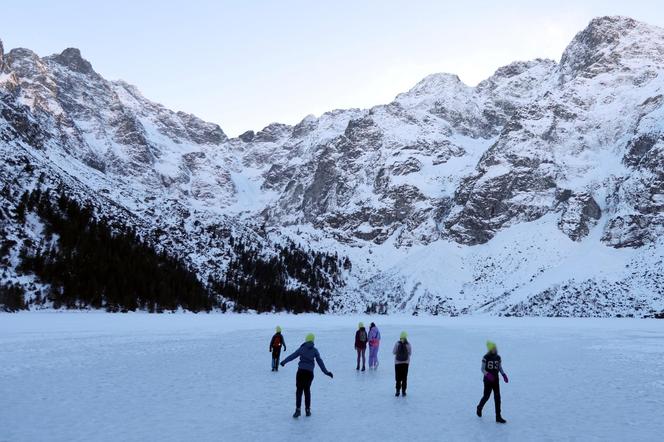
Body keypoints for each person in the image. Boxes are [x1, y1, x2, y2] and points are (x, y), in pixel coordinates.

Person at [281, 333, 334, 418]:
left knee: (299, 390)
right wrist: (326, 372)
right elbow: (320, 362)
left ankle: (298, 410)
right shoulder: (315, 350)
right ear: (313, 341)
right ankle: (307, 410)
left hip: (300, 372)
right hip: (309, 373)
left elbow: (292, 356)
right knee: (307, 390)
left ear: (306, 339)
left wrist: (284, 362)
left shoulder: (301, 349)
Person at [476, 340, 509, 424]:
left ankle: (498, 416)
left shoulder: (498, 357)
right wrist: (487, 375)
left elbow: (500, 367)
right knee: (486, 396)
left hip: (496, 380)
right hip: (488, 380)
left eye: (495, 348)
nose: (494, 349)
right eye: (492, 348)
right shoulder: (486, 357)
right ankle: (479, 407)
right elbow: (482, 369)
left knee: (497, 398)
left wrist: (503, 374)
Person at [392, 331, 412, 397]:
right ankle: (403, 392)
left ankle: (397, 391)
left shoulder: (397, 344)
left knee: (398, 378)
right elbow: (410, 353)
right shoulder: (408, 344)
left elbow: (394, 352)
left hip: (397, 363)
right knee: (404, 378)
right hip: (406, 363)